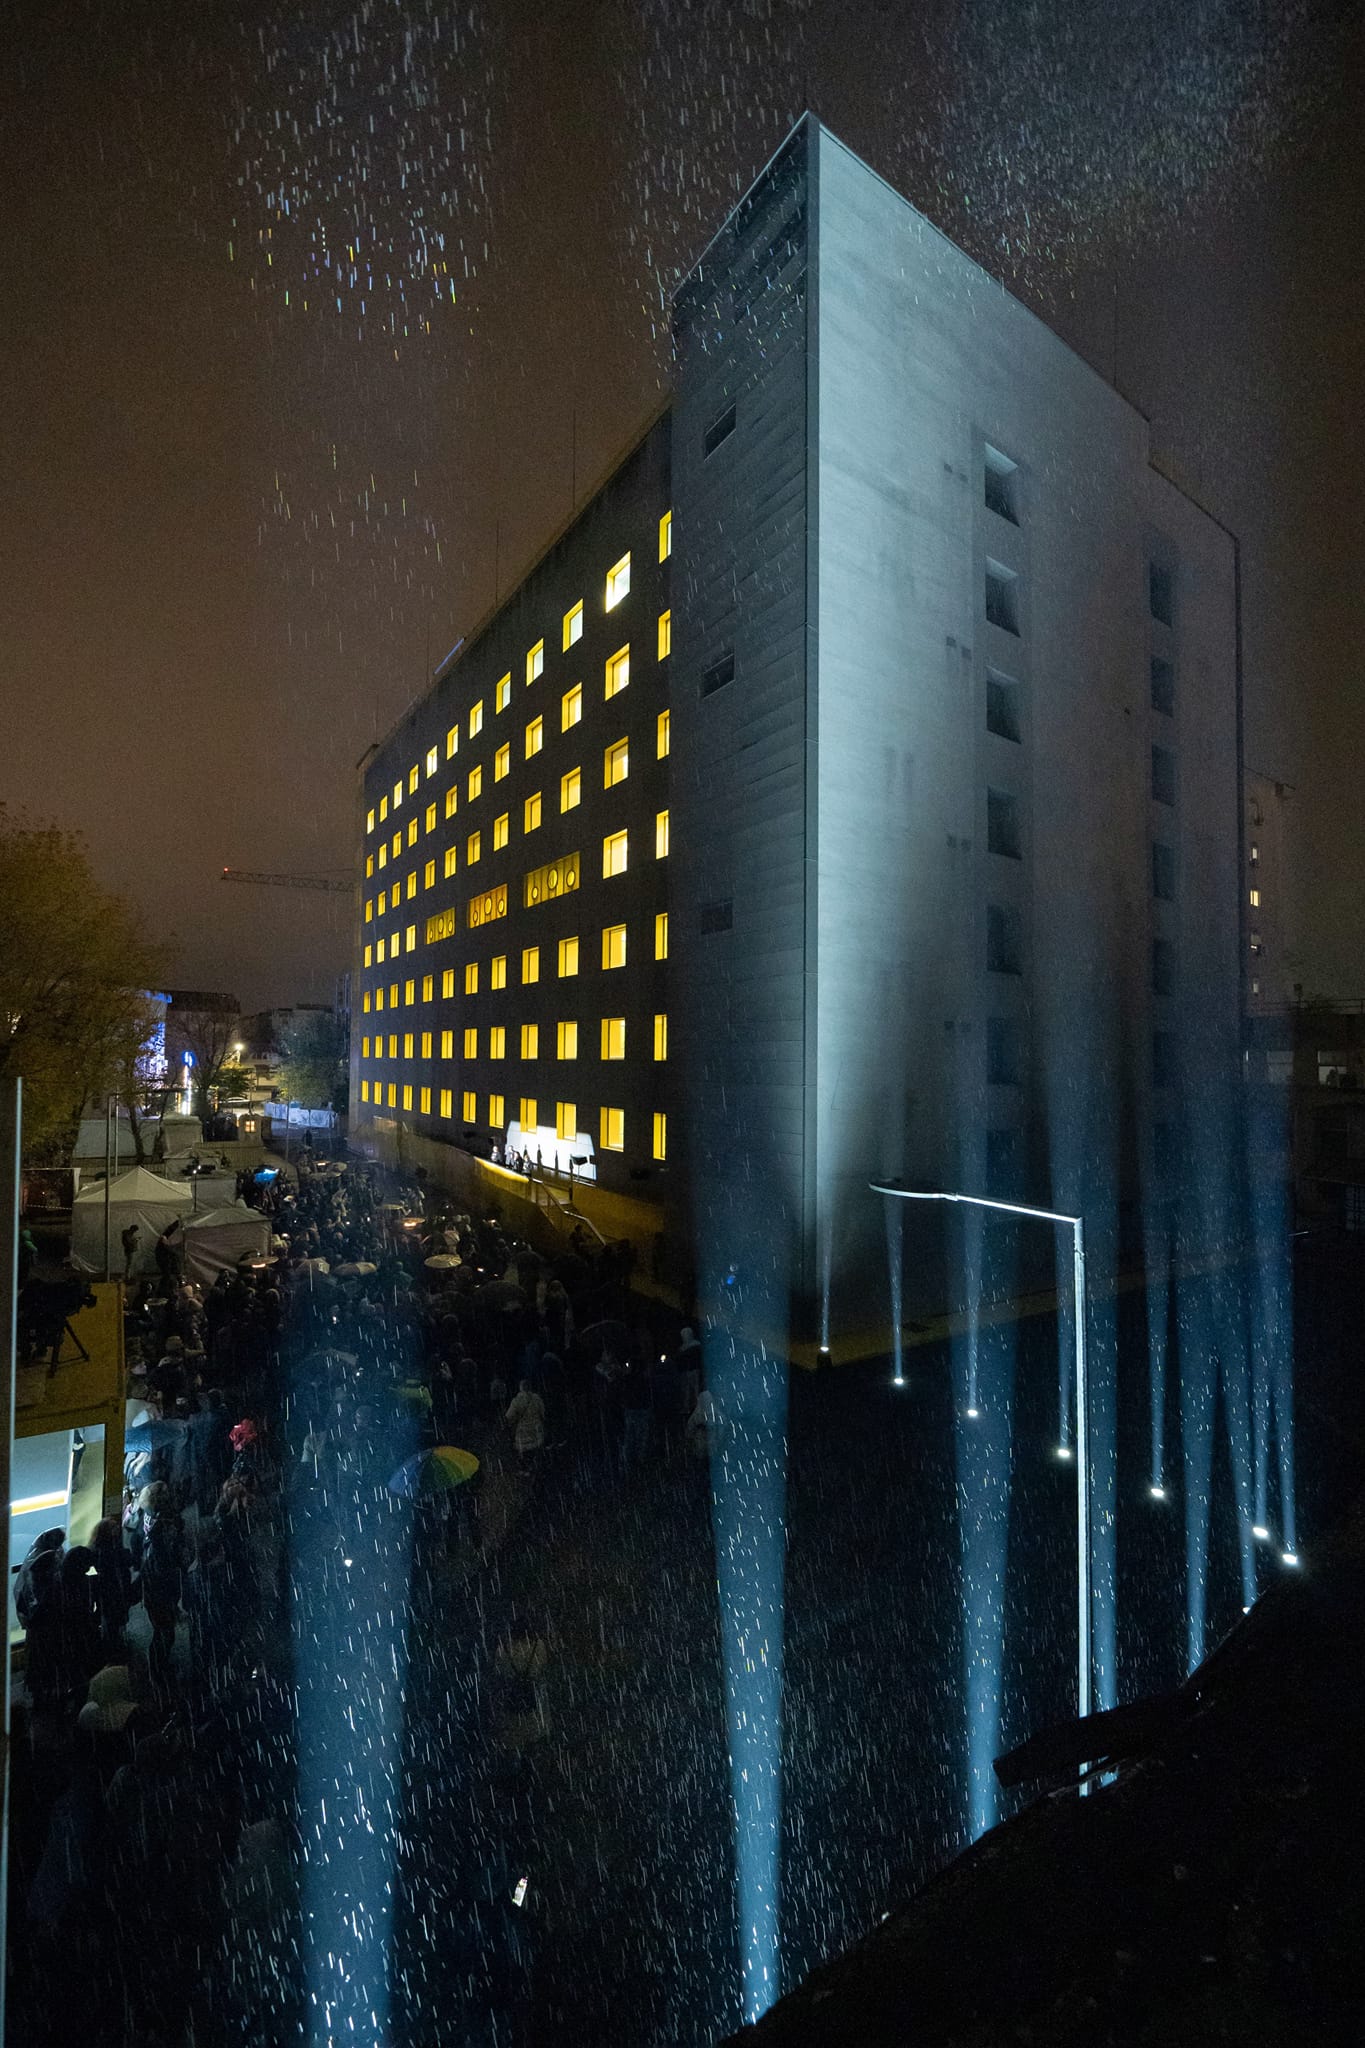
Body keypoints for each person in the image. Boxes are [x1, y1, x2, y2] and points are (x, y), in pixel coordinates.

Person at [131, 1482, 189, 1690]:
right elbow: (165, 1567)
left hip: (152, 1589)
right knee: (165, 1633)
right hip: (159, 1592)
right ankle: (157, 1671)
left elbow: (136, 1544)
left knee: (162, 1631)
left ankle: (157, 1668)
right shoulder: (161, 1533)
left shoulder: (147, 1521)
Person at [90, 1516, 136, 1655]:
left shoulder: (106, 1546)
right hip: (112, 1592)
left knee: (114, 1622)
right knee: (113, 1623)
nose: (117, 1529)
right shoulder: (106, 1550)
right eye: (113, 1527)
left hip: (115, 1590)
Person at [504, 1378, 545, 1467]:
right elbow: (543, 1413)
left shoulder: (516, 1401)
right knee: (536, 1450)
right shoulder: (537, 1398)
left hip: (523, 1432)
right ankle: (538, 1466)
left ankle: (527, 1467)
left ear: (520, 1388)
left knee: (526, 1453)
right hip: (536, 1430)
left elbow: (509, 1416)